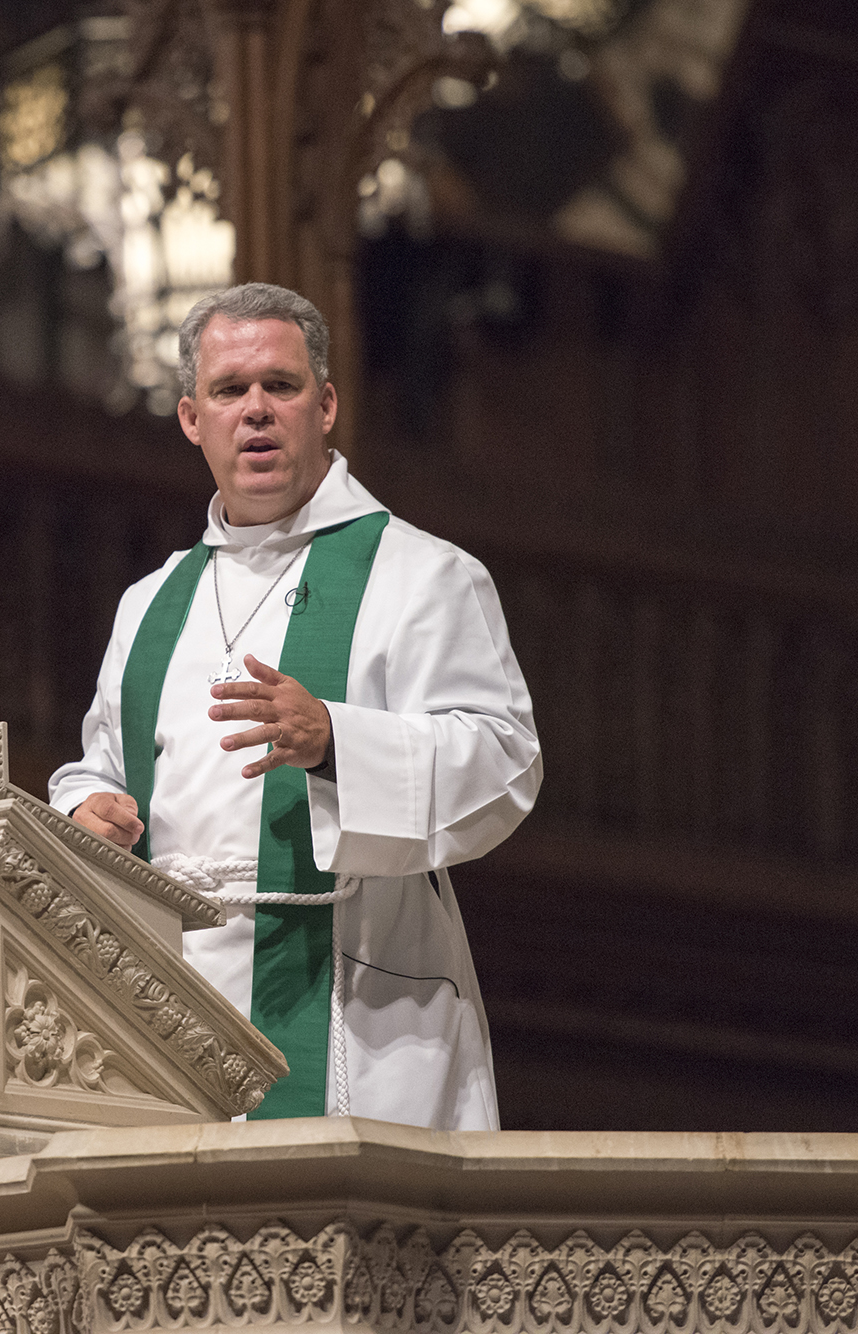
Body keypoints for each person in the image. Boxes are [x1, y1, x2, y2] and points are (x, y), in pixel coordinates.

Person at [47, 282, 541, 1131]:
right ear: (191, 420)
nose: (257, 411)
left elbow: (503, 761)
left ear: (327, 405)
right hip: (171, 1004)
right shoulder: (151, 602)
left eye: (280, 385)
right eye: (230, 391)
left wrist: (338, 743)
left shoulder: (422, 574)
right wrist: (84, 810)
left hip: (352, 1001)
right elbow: (102, 767)